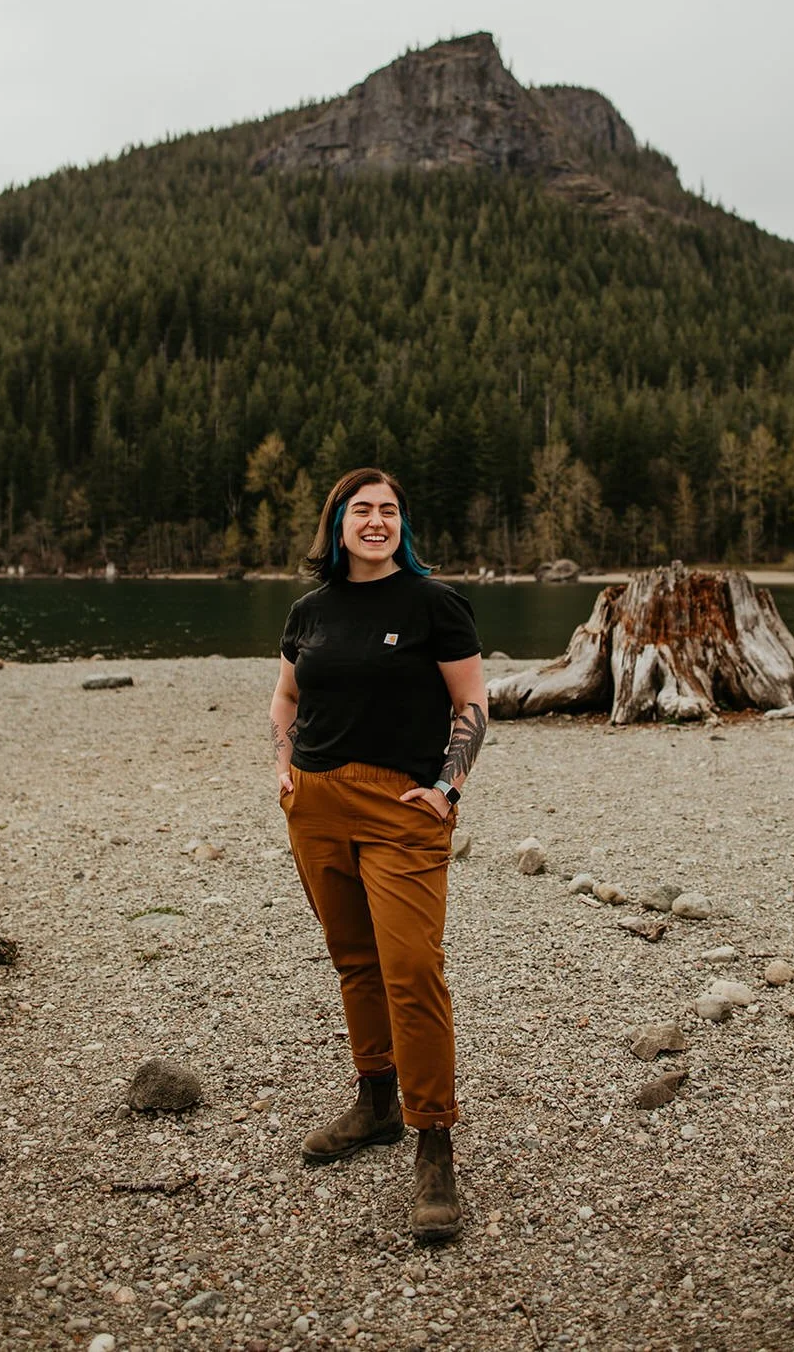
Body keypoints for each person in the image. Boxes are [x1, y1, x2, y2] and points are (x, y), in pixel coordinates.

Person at [269, 467, 487, 1242]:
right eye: (361, 509)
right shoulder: (309, 610)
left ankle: (435, 1143)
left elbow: (471, 703)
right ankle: (375, 1103)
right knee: (355, 963)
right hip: (318, 806)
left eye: (389, 509)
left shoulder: (434, 604)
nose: (377, 520)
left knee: (413, 969)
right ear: (336, 524)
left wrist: (447, 788)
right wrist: (284, 770)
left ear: (403, 525)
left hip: (402, 810)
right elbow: (287, 698)